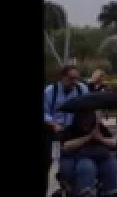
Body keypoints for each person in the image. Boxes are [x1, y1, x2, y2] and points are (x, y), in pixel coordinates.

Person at [44, 66, 89, 195]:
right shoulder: (50, 91)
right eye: (71, 78)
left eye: (76, 78)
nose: (74, 81)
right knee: (49, 161)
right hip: (53, 133)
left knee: (71, 163)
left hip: (73, 132)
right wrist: (53, 123)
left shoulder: (82, 89)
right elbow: (44, 111)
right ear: (62, 77)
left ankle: (69, 189)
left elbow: (88, 106)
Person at [58, 108, 117, 197]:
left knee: (112, 166)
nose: (86, 119)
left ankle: (111, 191)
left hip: (100, 157)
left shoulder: (98, 127)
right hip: (79, 158)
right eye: (83, 116)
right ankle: (86, 192)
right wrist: (89, 137)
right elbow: (66, 146)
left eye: (89, 115)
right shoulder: (71, 129)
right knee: (87, 166)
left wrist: (100, 138)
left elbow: (114, 143)